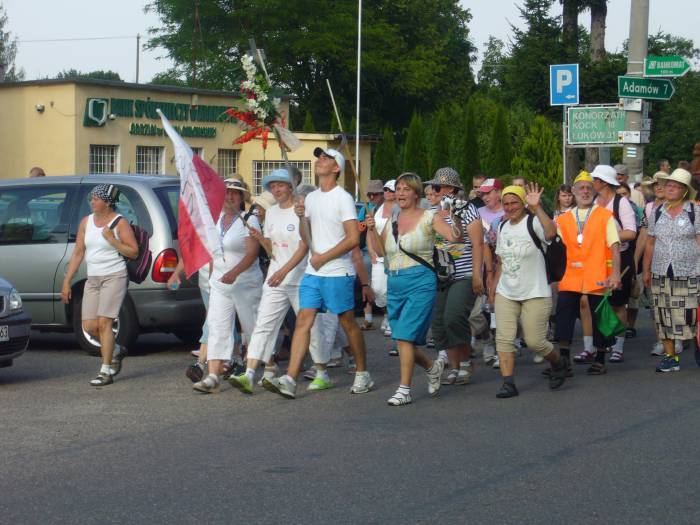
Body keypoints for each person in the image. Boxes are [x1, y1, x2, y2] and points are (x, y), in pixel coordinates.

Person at [263, 147, 374, 399]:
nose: (320, 160)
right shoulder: (310, 198)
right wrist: (302, 218)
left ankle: (362, 373)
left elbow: (353, 238)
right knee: (304, 320)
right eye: (319, 157)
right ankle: (290, 379)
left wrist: (324, 256)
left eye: (326, 158)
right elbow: (307, 237)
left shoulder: (342, 197)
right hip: (314, 273)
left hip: (337, 271)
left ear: (337, 168)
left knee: (347, 323)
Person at [366, 172, 463, 405]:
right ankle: (431, 367)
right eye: (398, 188)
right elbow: (381, 252)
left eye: (406, 189)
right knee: (402, 339)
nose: (400, 193)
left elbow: (454, 238)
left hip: (421, 281)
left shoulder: (429, 217)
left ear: (416, 193)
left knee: (405, 336)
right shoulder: (393, 221)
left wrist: (454, 216)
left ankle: (404, 389)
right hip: (396, 282)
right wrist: (370, 229)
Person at [228, 168, 328, 394]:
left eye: (280, 185)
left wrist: (284, 271)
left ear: (290, 187)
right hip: (275, 278)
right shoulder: (271, 212)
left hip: (301, 278)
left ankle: (322, 370)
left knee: (309, 328)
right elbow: (273, 249)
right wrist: (261, 239)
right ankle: (250, 373)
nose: (276, 189)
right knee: (263, 323)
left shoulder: (301, 211)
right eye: (273, 186)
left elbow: (304, 246)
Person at [489, 184, 568, 397]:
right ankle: (508, 383)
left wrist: (537, 207)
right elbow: (501, 260)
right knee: (503, 339)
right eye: (506, 204)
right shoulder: (502, 226)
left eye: (514, 202)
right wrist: (494, 286)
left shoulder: (534, 222)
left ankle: (558, 362)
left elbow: (551, 233)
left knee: (535, 342)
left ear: (524, 203)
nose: (509, 207)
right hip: (507, 291)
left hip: (535, 291)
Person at [61, 184, 138, 386]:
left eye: (96, 198)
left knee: (105, 322)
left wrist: (112, 240)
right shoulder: (86, 222)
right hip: (92, 279)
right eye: (91, 198)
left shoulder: (119, 222)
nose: (92, 202)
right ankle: (116, 350)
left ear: (107, 201)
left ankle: (106, 371)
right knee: (89, 326)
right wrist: (67, 282)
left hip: (115, 276)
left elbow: (133, 252)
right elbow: (78, 253)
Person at [192, 178, 263, 393]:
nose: (230, 197)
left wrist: (234, 272)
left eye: (235, 193)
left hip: (245, 283)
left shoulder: (249, 219)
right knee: (217, 326)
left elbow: (252, 253)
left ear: (242, 197)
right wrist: (214, 275)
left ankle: (268, 366)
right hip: (221, 283)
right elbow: (214, 250)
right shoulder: (217, 219)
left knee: (252, 328)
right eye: (226, 192)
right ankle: (213, 375)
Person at [555, 171, 621, 376]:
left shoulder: (604, 215)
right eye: (581, 188)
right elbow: (557, 251)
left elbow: (615, 245)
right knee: (564, 314)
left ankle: (600, 359)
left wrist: (616, 273)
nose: (585, 191)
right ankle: (564, 359)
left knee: (599, 316)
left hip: (596, 273)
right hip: (570, 275)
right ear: (573, 192)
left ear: (594, 192)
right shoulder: (564, 219)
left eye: (588, 188)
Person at [424, 167, 484, 386]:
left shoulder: (467, 209)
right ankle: (454, 366)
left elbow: (478, 243)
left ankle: (466, 362)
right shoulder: (432, 213)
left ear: (451, 189)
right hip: (440, 275)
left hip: (464, 273)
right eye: (433, 187)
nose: (434, 191)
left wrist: (478, 275)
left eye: (438, 187)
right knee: (439, 324)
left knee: (454, 316)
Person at [643, 168, 700, 373]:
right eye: (669, 185)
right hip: (661, 271)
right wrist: (646, 269)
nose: (671, 188)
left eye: (676, 186)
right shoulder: (656, 211)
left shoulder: (695, 211)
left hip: (690, 272)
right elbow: (650, 242)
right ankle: (670, 357)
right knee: (663, 314)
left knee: (691, 315)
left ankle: (697, 351)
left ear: (684, 191)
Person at [592, 165, 637, 363]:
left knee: (618, 303)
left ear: (602, 182)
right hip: (598, 259)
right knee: (597, 302)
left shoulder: (621, 203)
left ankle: (618, 346)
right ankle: (600, 343)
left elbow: (631, 232)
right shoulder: (594, 202)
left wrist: (607, 237)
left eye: (595, 179)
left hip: (620, 258)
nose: (592, 183)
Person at [366, 180, 397, 350]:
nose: (388, 193)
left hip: (393, 256)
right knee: (378, 290)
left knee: (392, 289)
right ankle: (386, 312)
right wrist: (371, 252)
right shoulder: (375, 210)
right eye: (385, 190)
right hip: (377, 257)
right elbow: (370, 233)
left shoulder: (400, 209)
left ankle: (391, 318)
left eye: (391, 190)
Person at [360, 179, 385, 330]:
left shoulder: (388, 208)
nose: (371, 198)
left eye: (374, 194)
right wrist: (364, 223)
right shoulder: (366, 207)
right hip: (367, 251)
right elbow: (358, 226)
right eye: (369, 194)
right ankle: (368, 318)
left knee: (381, 287)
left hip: (382, 251)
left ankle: (386, 316)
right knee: (367, 284)